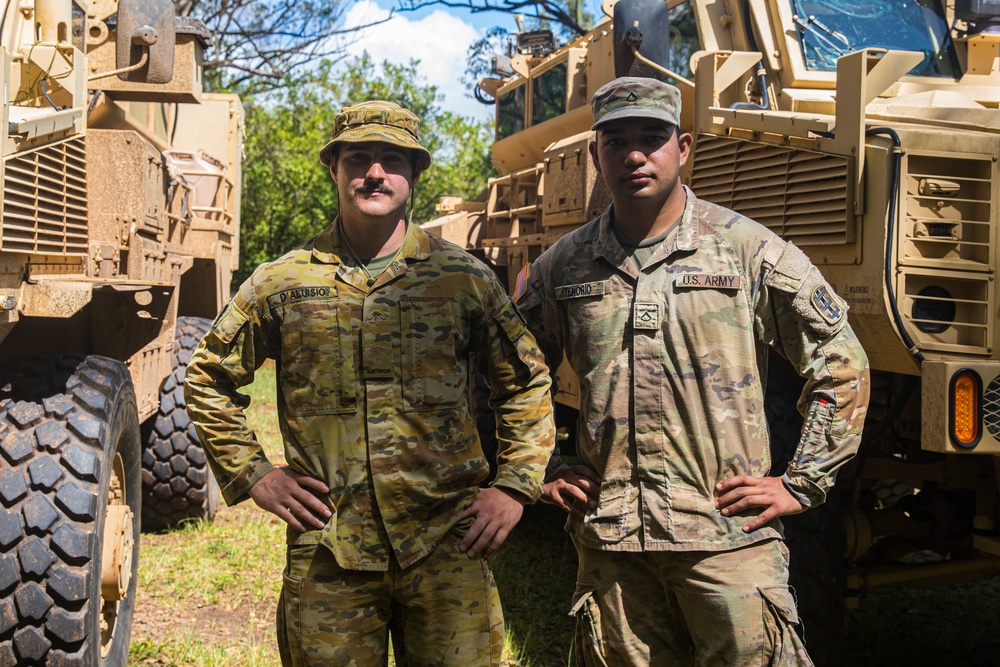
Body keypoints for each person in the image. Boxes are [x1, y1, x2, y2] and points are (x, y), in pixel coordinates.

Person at [513, 77, 870, 666]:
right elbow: (508, 377)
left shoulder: (746, 250)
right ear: (596, 153)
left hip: (726, 542)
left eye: (651, 138)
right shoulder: (564, 266)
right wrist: (537, 470)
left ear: (683, 148)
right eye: (616, 140)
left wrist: (800, 482)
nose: (634, 155)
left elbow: (841, 362)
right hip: (613, 544)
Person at [185, 100, 555, 666]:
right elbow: (208, 377)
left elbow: (525, 382)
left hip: (447, 541)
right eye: (358, 158)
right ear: (334, 168)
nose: (375, 172)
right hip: (329, 547)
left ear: (415, 173)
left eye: (392, 159)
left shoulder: (462, 279)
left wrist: (514, 488)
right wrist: (252, 474)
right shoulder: (281, 282)